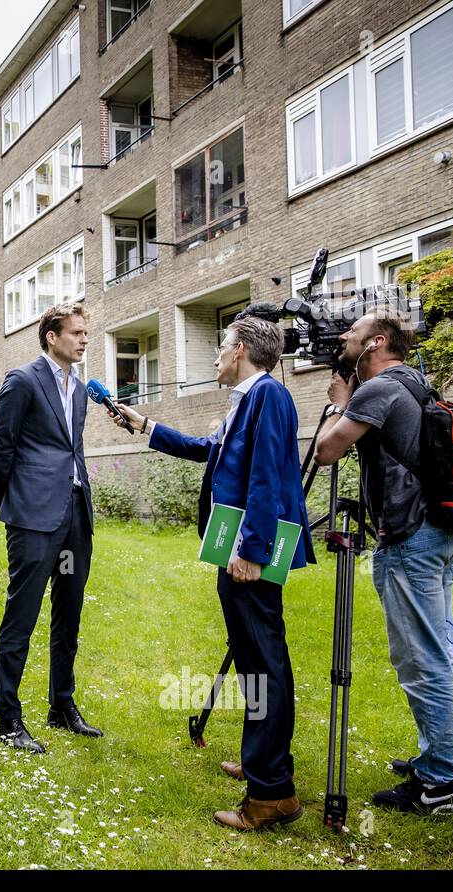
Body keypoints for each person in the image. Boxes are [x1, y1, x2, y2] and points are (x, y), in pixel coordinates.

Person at [111, 317, 315, 830]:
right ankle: (260, 763)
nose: (216, 356)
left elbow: (268, 474)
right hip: (242, 550)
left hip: (250, 554)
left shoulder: (268, 396)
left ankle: (271, 794)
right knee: (254, 659)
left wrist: (251, 549)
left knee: (264, 662)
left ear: (241, 349)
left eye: (221, 347)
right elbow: (209, 452)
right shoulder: (249, 399)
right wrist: (145, 426)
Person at [314, 307, 453, 816]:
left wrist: (339, 404)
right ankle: (435, 759)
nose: (343, 343)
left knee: (422, 658)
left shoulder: (378, 389)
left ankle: (441, 786)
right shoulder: (418, 383)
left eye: (352, 336)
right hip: (441, 532)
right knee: (438, 649)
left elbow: (327, 452)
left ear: (377, 342)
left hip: (412, 537)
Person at [0, 302, 101, 754]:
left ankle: (61, 706)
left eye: (86, 333)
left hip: (75, 514)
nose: (84, 339)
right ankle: (9, 720)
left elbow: (72, 450)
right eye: (76, 332)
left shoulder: (79, 389)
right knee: (23, 614)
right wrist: (16, 505)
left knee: (68, 613)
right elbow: (2, 451)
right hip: (33, 519)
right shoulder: (23, 381)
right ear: (51, 337)